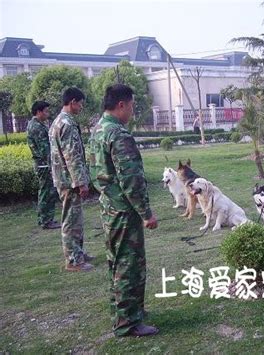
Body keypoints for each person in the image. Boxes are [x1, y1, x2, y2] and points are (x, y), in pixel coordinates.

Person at [89, 84, 159, 337]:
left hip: (109, 208)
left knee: (117, 263)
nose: (132, 110)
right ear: (121, 105)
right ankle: (128, 323)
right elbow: (131, 180)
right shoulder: (118, 134)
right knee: (129, 265)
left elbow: (96, 174)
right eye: (131, 105)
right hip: (124, 212)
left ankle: (127, 312)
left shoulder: (97, 130)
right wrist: (146, 213)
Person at [49, 87, 94, 272]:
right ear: (73, 101)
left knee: (75, 218)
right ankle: (73, 260)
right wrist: (81, 182)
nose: (81, 107)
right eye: (80, 103)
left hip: (64, 179)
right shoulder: (66, 124)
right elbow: (72, 156)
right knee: (70, 220)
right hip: (69, 181)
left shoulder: (58, 121)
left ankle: (78, 252)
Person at [26, 101, 60, 229]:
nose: (47, 114)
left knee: (44, 192)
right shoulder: (37, 127)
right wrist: (53, 167)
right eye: (45, 111)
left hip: (42, 165)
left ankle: (44, 219)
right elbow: (45, 150)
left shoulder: (35, 125)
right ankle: (46, 221)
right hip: (44, 165)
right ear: (38, 112)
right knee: (47, 192)